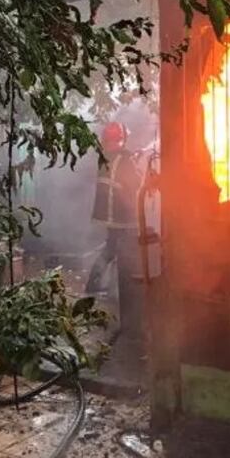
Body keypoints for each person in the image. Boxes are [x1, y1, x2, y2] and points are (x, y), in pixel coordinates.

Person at [85, 122, 144, 340]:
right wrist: (134, 162)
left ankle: (94, 286)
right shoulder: (125, 159)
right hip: (121, 215)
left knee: (110, 249)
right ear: (122, 138)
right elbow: (136, 183)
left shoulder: (104, 156)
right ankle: (116, 295)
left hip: (107, 215)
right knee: (120, 254)